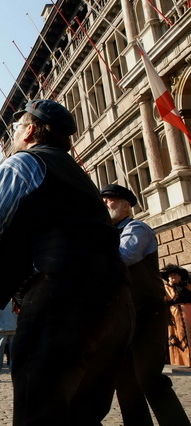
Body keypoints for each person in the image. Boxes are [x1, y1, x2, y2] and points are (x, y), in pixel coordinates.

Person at [0, 99, 134, 424]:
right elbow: (67, 243)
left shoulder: (21, 163)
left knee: (38, 415)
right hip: (116, 304)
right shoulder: (79, 177)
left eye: (16, 127)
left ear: (30, 131)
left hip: (62, 303)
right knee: (83, 417)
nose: (12, 135)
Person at [101, 183, 190, 426]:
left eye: (108, 199)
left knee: (149, 377)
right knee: (125, 380)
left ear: (125, 205)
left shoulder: (136, 228)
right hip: (122, 316)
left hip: (146, 313)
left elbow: (125, 257)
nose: (104, 204)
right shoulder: (107, 234)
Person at [162, 264, 191, 366]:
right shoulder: (165, 288)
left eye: (176, 275)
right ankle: (184, 361)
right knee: (180, 335)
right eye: (171, 275)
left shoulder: (188, 286)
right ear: (168, 278)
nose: (174, 276)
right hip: (176, 315)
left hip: (189, 312)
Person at [0, 300, 17, 374]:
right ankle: (13, 368)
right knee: (12, 350)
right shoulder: (14, 303)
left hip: (1, 328)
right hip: (13, 328)